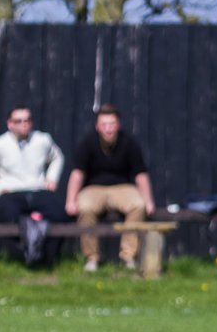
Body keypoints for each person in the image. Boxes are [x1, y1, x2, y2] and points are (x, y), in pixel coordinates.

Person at [65, 104, 155, 272]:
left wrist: (148, 201)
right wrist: (70, 200)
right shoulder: (88, 142)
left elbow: (141, 175)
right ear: (97, 126)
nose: (108, 129)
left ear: (118, 125)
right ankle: (92, 258)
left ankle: (128, 256)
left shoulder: (129, 143)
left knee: (138, 205)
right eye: (104, 124)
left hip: (122, 187)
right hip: (94, 188)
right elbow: (78, 173)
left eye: (112, 124)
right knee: (84, 207)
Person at [0, 105, 70, 266]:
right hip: (12, 191)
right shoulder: (1, 144)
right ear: (10, 124)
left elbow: (58, 158)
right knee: (8, 216)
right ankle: (26, 254)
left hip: (38, 189)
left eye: (27, 120)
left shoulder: (43, 140)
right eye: (19, 121)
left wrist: (52, 178)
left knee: (59, 214)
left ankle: (46, 259)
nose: (24, 124)